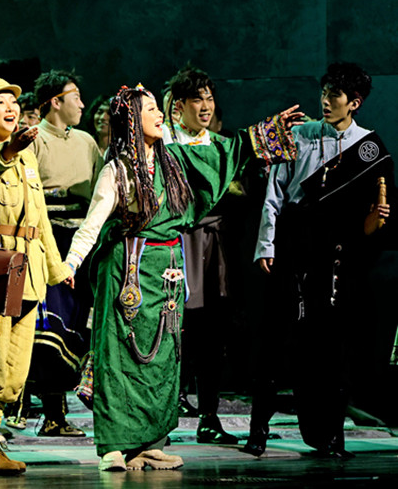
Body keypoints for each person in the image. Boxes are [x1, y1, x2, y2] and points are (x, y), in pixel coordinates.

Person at [64, 84, 301, 472]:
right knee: (120, 357)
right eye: (151, 109)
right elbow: (92, 225)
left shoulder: (175, 161)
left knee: (163, 357)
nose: (160, 115)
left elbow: (222, 153)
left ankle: (149, 442)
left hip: (168, 269)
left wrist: (264, 133)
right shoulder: (117, 169)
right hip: (128, 269)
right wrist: (71, 264)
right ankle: (114, 445)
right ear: (131, 121)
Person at [249, 62, 393, 458]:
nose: (325, 101)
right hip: (293, 243)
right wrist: (266, 245)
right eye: (324, 92)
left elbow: (379, 211)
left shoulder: (369, 147)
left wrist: (375, 220)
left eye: (335, 95)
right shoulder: (299, 135)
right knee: (278, 335)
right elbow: (275, 194)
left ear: (355, 103)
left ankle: (330, 435)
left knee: (331, 346)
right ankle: (258, 430)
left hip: (337, 255)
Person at [0, 77, 74, 475]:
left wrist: (58, 269)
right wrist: (9, 150)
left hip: (29, 265)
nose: (10, 108)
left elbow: (40, 221)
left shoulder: (28, 160)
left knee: (15, 360)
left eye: (13, 102)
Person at [4, 70, 100, 437]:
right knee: (46, 329)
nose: (82, 104)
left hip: (81, 244)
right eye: (75, 96)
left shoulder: (87, 142)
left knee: (74, 326)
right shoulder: (33, 140)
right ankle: (42, 410)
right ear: (55, 102)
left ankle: (57, 417)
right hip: (45, 243)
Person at [163, 64, 239, 444]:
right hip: (177, 243)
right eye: (198, 99)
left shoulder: (220, 145)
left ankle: (209, 416)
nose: (206, 106)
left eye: (209, 98)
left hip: (215, 245)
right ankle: (162, 417)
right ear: (178, 105)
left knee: (212, 332)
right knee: (174, 329)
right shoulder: (164, 144)